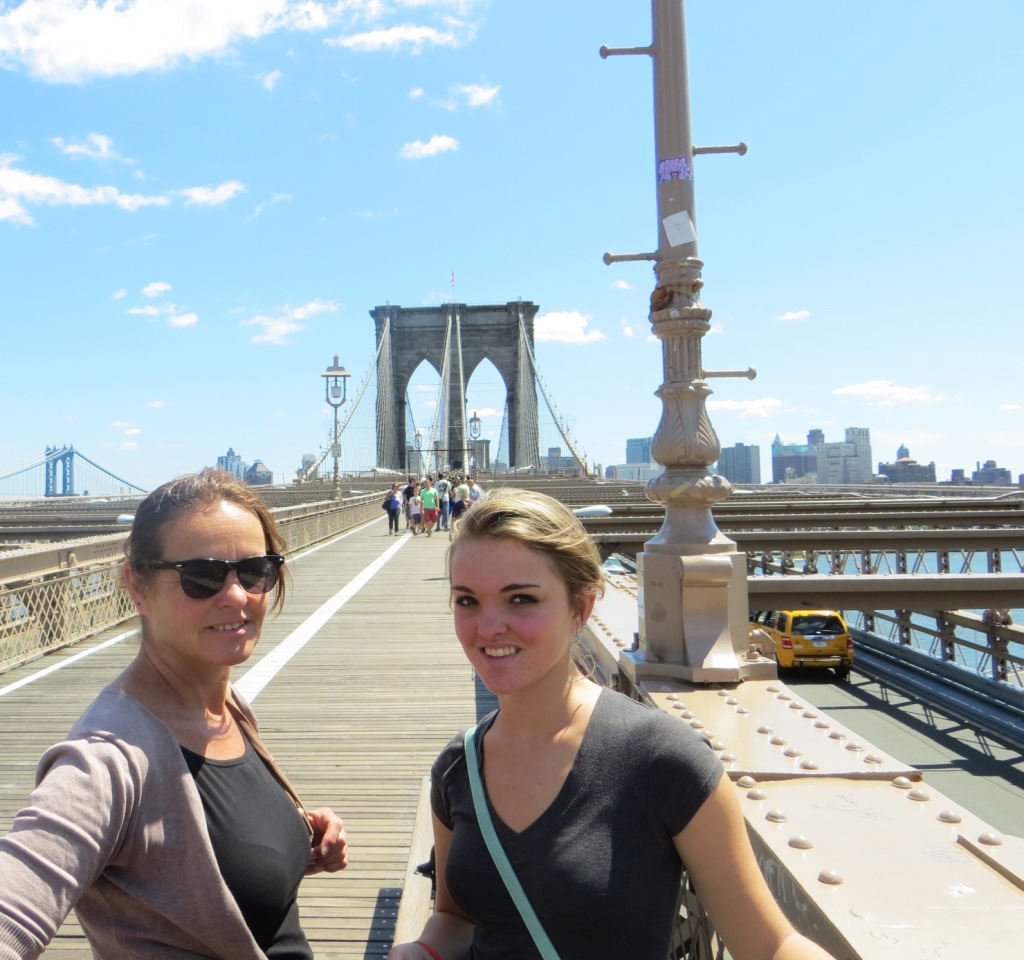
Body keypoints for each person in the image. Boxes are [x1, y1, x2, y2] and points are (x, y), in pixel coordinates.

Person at [389, 489, 835, 960]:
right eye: (467, 601)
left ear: (581, 607)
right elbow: (457, 918)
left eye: (520, 599)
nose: (488, 626)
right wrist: (422, 951)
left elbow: (771, 946)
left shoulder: (662, 760)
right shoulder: (459, 767)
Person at [0, 471, 349, 960]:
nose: (235, 595)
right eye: (201, 576)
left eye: (254, 571)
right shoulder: (104, 764)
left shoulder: (225, 707)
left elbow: (198, 863)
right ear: (136, 586)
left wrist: (295, 835)